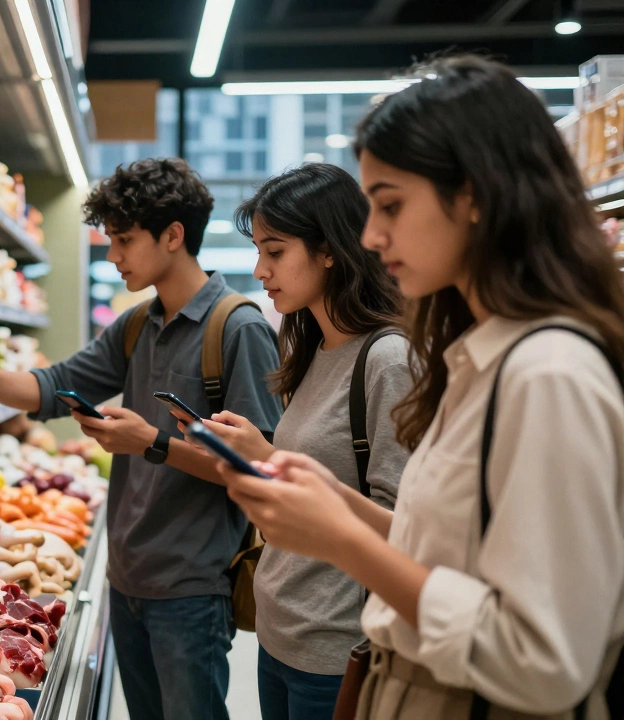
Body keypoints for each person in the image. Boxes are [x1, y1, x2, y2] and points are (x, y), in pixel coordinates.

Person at [216, 55, 624, 719]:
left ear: (475, 197)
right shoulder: (475, 359)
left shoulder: (549, 375)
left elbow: (547, 661)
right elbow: (445, 546)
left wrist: (343, 540)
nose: (373, 237)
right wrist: (333, 503)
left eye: (391, 205)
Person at [0, 157, 282, 720]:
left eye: (125, 240)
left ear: (174, 235)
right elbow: (49, 388)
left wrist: (152, 444)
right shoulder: (136, 325)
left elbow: (258, 470)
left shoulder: (238, 328)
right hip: (125, 578)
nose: (113, 255)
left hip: (191, 587)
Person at [173, 163, 410, 719]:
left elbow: (404, 524)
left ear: (329, 249)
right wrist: (248, 458)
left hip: (336, 646)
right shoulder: (310, 350)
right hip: (280, 630)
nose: (259, 270)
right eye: (258, 251)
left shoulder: (387, 360)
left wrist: (272, 458)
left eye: (275, 252)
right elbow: (310, 482)